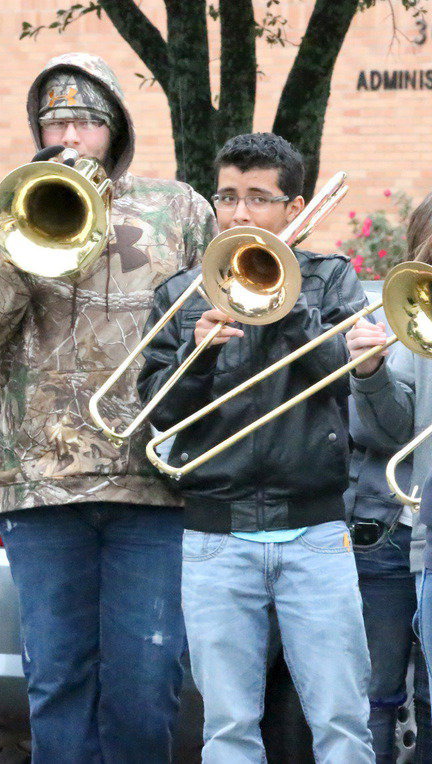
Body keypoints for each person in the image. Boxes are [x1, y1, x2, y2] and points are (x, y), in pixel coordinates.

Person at [0, 53, 217, 762]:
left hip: (153, 483)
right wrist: (25, 242)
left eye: (86, 121)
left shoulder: (179, 208)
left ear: (115, 129)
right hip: (40, 487)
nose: (69, 133)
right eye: (54, 120)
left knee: (147, 680)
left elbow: (221, 311)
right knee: (56, 679)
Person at [138, 132, 375, 762]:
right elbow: (158, 415)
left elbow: (340, 367)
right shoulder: (183, 293)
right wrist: (194, 355)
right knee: (228, 730)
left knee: (343, 724)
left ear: (294, 210)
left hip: (317, 533)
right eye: (228, 197)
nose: (240, 214)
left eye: (259, 200)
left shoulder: (329, 280)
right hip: (216, 537)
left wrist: (281, 299)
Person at [347, 192, 432, 760]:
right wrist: (373, 372)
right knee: (373, 695)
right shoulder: (397, 315)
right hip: (386, 530)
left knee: (427, 695)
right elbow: (380, 434)